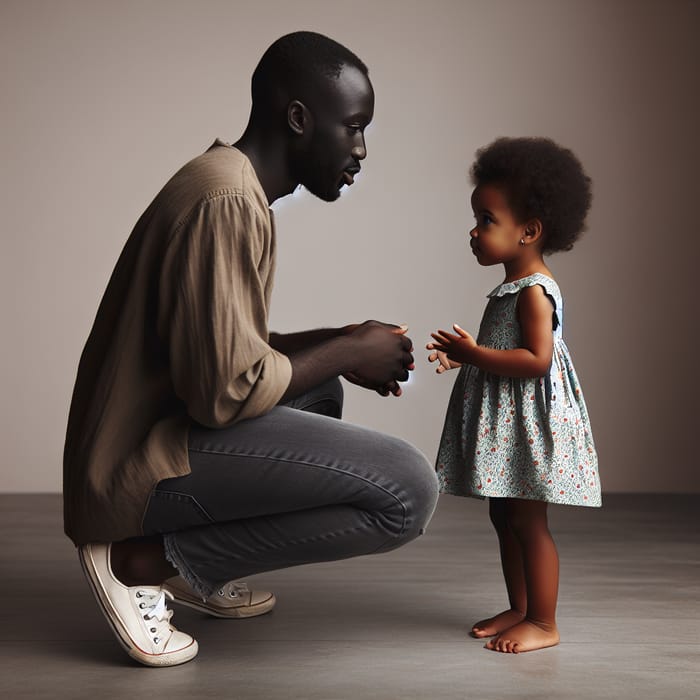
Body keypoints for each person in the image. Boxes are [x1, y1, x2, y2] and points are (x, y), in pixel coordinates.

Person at [63, 31, 438, 667]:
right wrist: (349, 348)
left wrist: (343, 345)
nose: (361, 149)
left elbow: (223, 350)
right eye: (352, 127)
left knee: (320, 389)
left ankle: (190, 565)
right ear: (298, 119)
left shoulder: (231, 185)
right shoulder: (228, 199)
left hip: (153, 436)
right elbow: (223, 392)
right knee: (408, 491)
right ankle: (140, 561)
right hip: (136, 466)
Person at [426, 137, 601, 654]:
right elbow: (508, 347)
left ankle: (544, 621)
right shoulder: (513, 285)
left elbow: (538, 360)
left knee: (528, 520)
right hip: (508, 417)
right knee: (503, 515)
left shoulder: (534, 291)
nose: (474, 232)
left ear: (529, 231)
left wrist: (476, 355)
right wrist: (467, 355)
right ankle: (520, 607)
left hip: (528, 419)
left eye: (486, 219)